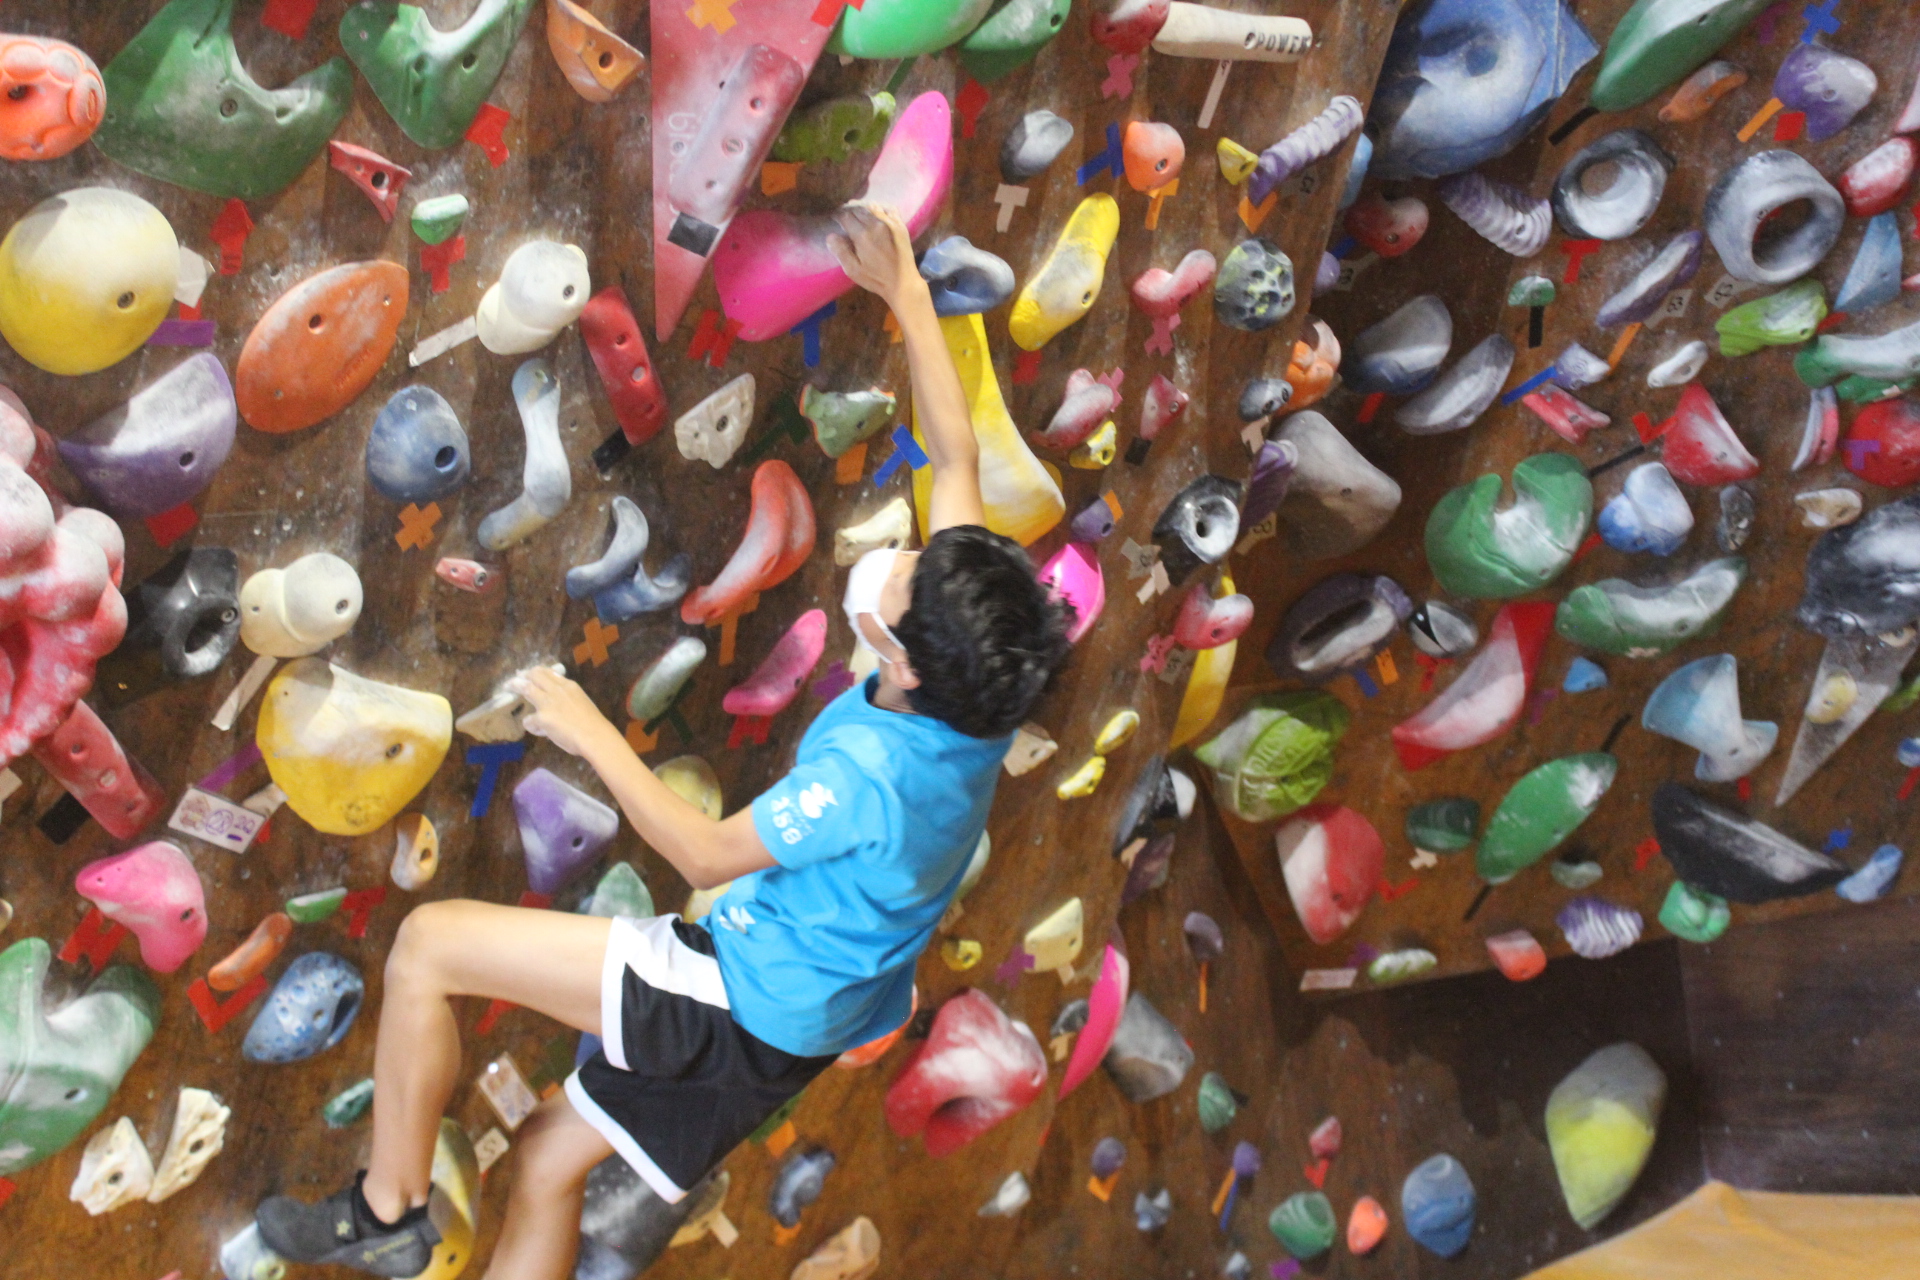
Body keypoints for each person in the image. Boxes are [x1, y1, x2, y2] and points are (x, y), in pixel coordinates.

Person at [253, 203, 1072, 1280]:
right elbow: (956, 455)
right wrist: (907, 292)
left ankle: (388, 1208)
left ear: (908, 664)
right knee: (548, 1158)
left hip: (739, 1001)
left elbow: (704, 852)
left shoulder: (869, 774)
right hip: (809, 1020)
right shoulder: (980, 682)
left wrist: (588, 728)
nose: (903, 562)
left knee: (429, 946)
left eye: (903, 582)